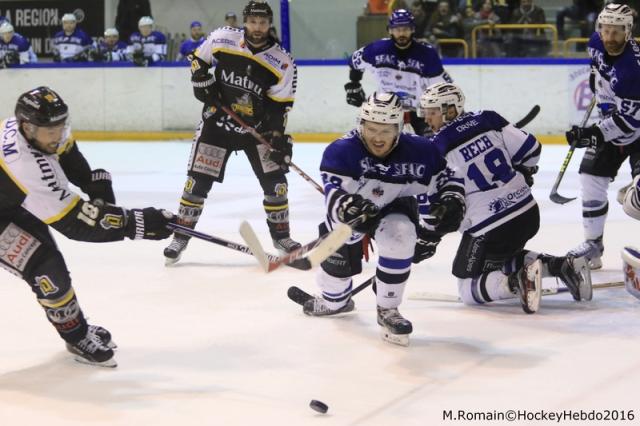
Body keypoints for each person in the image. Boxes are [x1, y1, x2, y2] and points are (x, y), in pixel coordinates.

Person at [0, 87, 175, 367]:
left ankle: (77, 332)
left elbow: (67, 153)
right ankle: (77, 335)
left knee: (49, 267)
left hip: (14, 201)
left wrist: (90, 182)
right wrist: (137, 222)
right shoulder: (22, 166)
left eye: (61, 126)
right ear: (27, 128)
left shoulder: (39, 131)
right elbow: (76, 225)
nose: (58, 135)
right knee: (46, 269)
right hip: (8, 210)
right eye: (51, 131)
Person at [302, 92, 466, 346]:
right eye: (372, 129)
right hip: (351, 216)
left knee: (400, 234)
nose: (378, 138)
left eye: (386, 130)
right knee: (336, 287)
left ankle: (388, 308)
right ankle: (333, 299)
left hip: (395, 205)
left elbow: (448, 176)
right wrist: (348, 207)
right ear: (361, 125)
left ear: (399, 128)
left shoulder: (420, 150)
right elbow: (334, 193)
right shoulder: (342, 151)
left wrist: (452, 199)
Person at [420, 82, 592, 314]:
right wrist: (521, 171)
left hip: (488, 227)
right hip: (527, 213)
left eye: (432, 112)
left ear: (450, 110)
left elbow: (433, 205)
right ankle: (562, 266)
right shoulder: (488, 119)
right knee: (502, 257)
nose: (427, 119)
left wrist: (426, 236)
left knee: (467, 289)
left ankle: (516, 282)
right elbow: (532, 150)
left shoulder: (434, 148)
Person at [163, 1, 301, 265]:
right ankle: (181, 235)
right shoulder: (222, 37)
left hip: (256, 130)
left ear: (269, 24)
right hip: (217, 125)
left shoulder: (283, 61)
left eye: (262, 23)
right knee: (197, 184)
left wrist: (276, 136)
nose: (257, 28)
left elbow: (280, 106)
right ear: (244, 21)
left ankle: (281, 237)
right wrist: (201, 80)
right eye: (252, 22)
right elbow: (197, 60)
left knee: (276, 184)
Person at [566, 3, 640, 270]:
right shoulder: (596, 42)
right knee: (590, 178)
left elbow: (630, 121)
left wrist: (593, 133)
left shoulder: (632, 70)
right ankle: (593, 247)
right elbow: (596, 70)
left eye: (616, 32)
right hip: (614, 124)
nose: (609, 38)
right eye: (605, 30)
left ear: (628, 31)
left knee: (637, 204)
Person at [345, 9, 453, 136]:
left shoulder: (427, 54)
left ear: (413, 29)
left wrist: (445, 114)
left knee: (430, 150)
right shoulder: (376, 50)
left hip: (421, 115)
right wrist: (354, 83)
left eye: (406, 29)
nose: (402, 33)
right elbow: (354, 61)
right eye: (397, 29)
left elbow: (443, 88)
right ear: (390, 30)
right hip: (385, 112)